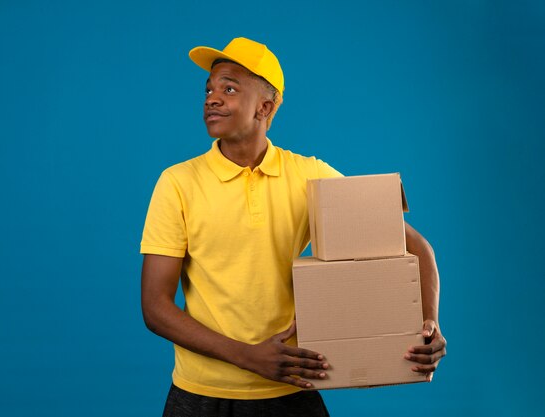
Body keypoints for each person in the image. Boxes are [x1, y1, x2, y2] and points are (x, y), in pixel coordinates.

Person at [140, 37, 446, 417]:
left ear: (265, 107)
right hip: (201, 396)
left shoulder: (310, 177)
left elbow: (417, 247)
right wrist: (247, 357)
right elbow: (155, 307)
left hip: (290, 389)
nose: (212, 98)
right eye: (209, 89)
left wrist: (427, 322)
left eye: (229, 88)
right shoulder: (177, 183)